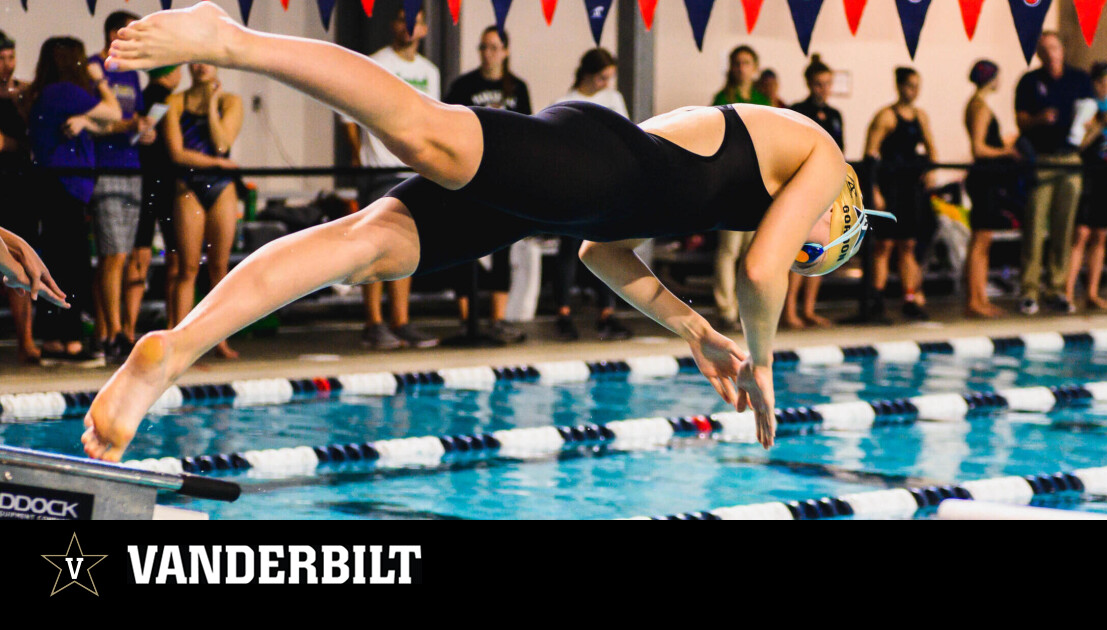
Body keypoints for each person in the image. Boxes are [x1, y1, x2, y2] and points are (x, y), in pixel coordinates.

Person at [85, 2, 883, 460]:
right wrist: (763, 362)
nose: (808, 249)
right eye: (823, 243)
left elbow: (600, 250)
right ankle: (231, 37)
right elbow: (760, 272)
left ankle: (171, 351)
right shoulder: (820, 150)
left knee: (367, 247)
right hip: (595, 163)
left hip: (579, 200)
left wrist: (694, 329)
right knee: (423, 132)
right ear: (843, 202)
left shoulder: (751, 179)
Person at [339, 4, 438, 350]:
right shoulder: (376, 62)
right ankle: (373, 322)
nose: (408, 25)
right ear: (394, 25)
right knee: (373, 247)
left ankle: (401, 321)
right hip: (378, 170)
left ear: (424, 30)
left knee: (406, 246)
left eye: (415, 21)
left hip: (412, 171)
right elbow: (347, 112)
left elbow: (432, 120)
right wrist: (357, 154)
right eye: (402, 18)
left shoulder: (430, 72)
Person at [28, 37, 122, 366]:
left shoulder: (48, 93)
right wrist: (100, 79)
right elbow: (114, 112)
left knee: (56, 262)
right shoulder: (65, 92)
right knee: (72, 266)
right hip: (64, 185)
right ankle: (69, 341)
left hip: (54, 185)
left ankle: (53, 339)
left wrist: (84, 121)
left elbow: (105, 123)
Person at [442, 25, 532, 344]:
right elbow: (447, 126)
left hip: (505, 178)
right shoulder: (463, 86)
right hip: (469, 176)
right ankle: (467, 320)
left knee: (503, 248)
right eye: (483, 47)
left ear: (505, 51)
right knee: (463, 245)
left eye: (494, 47)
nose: (487, 54)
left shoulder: (518, 88)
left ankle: (497, 319)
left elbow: (528, 134)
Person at [550, 47, 634, 341]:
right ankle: (562, 314)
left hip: (606, 186)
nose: (606, 84)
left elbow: (627, 138)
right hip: (574, 187)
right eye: (602, 77)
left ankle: (606, 313)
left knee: (605, 248)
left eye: (610, 77)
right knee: (569, 249)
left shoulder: (613, 99)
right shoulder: (564, 103)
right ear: (587, 74)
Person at [90, 11, 158, 364]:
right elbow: (93, 121)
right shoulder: (93, 69)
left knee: (120, 256)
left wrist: (145, 130)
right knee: (113, 254)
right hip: (104, 169)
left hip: (132, 168)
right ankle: (115, 332)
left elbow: (135, 118)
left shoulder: (131, 74)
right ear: (114, 34)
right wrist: (127, 125)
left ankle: (108, 332)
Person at [162, 61, 243, 359]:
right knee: (188, 268)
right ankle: (181, 343)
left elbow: (222, 143)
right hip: (188, 187)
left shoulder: (230, 102)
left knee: (219, 268)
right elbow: (176, 153)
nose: (201, 66)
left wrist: (211, 107)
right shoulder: (175, 102)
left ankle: (218, 339)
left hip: (221, 189)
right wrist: (219, 164)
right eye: (194, 60)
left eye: (206, 60)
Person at [1014, 32, 1092, 315]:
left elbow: (1091, 116)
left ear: (1062, 49)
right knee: (1035, 225)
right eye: (1044, 49)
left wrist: (1083, 139)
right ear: (1038, 53)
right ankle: (1029, 289)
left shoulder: (1078, 79)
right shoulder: (1029, 81)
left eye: (1054, 47)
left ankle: (1057, 288)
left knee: (1064, 226)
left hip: (1069, 159)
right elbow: (1021, 121)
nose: (1050, 53)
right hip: (1042, 159)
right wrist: (1039, 118)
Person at [864, 67, 938, 321]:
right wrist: (874, 190)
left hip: (910, 189)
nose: (913, 91)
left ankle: (909, 298)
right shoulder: (885, 117)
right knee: (884, 245)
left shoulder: (920, 117)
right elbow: (870, 155)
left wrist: (930, 172)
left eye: (917, 86)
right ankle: (876, 299)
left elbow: (932, 148)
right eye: (909, 86)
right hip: (889, 187)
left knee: (908, 244)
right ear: (899, 86)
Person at [711, 45, 771, 331]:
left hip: (755, 182)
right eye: (737, 63)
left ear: (755, 68)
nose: (741, 68)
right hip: (730, 182)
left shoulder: (762, 100)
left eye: (746, 63)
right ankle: (726, 309)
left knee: (752, 252)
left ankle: (746, 309)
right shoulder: (722, 99)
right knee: (728, 250)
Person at [125, 64, 183, 340]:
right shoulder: (170, 101)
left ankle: (127, 330)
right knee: (176, 258)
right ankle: (173, 328)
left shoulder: (139, 97)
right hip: (167, 184)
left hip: (142, 182)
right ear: (172, 73)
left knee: (139, 256)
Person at [785, 54, 843, 329]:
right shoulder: (797, 111)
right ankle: (790, 311)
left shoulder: (835, 115)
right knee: (800, 250)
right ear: (809, 83)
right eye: (819, 84)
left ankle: (808, 309)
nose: (824, 89)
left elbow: (840, 153)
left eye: (828, 84)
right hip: (802, 187)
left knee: (822, 250)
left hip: (826, 188)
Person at [963, 60, 1023, 318]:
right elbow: (978, 148)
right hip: (984, 179)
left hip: (986, 179)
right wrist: (1007, 151)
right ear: (991, 78)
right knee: (981, 241)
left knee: (983, 241)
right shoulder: (980, 107)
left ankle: (980, 298)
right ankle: (975, 300)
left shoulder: (976, 105)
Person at [1066, 62, 1107, 311]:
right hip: (1088, 174)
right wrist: (1100, 123)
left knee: (1100, 234)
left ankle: (1091, 292)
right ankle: (1067, 293)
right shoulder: (1086, 107)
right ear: (1093, 84)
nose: (1106, 86)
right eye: (1101, 82)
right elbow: (1078, 145)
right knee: (1081, 233)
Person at [0, 30, 39, 364]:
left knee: (20, 264)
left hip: (20, 187)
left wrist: (24, 104)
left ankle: (26, 340)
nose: (7, 65)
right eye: (0, 58)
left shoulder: (23, 94)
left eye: (10, 57)